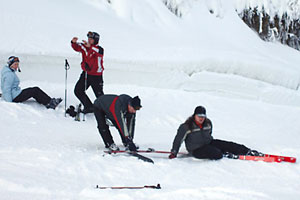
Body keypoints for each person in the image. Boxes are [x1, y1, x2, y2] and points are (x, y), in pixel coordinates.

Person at [169, 106, 263, 160]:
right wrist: (174, 152)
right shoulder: (186, 126)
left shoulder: (208, 123)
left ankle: (247, 151)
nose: (201, 118)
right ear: (194, 116)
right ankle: (223, 154)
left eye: (203, 116)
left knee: (227, 144)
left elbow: (209, 134)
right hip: (196, 150)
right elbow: (178, 140)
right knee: (215, 153)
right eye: (199, 116)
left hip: (208, 143)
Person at [71, 31, 104, 114]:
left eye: (91, 39)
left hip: (96, 76)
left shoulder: (99, 49)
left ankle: (106, 111)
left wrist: (90, 47)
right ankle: (89, 106)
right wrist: (73, 43)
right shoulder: (85, 47)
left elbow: (99, 52)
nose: (89, 40)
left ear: (95, 40)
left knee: (99, 96)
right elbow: (77, 47)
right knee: (78, 90)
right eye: (88, 38)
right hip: (86, 73)